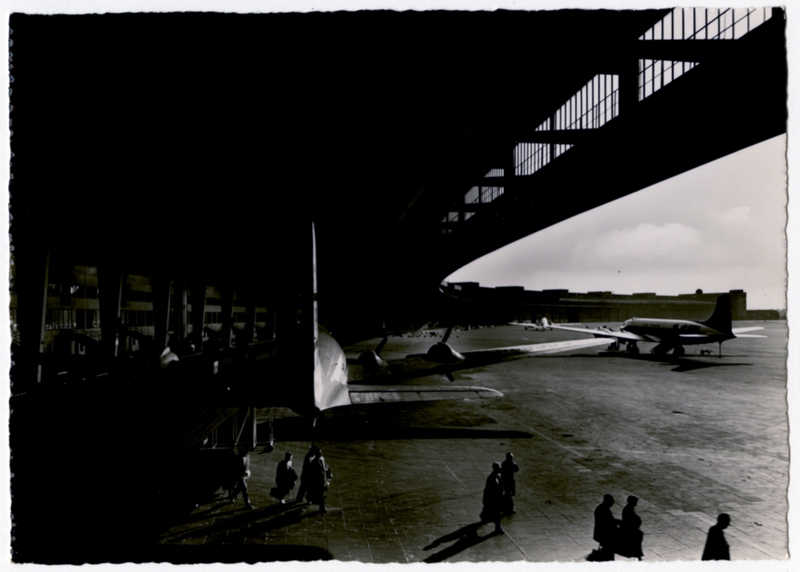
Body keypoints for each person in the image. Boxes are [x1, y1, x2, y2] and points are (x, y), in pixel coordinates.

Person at [591, 494, 619, 561]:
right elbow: (608, 521)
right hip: (605, 535)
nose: (612, 503)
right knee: (608, 552)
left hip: (602, 534)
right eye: (612, 501)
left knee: (606, 550)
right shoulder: (604, 509)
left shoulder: (602, 508)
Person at [480, 462, 506, 534]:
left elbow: (501, 485)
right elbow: (488, 490)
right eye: (499, 468)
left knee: (489, 510)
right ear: (495, 469)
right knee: (497, 514)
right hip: (493, 499)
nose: (500, 469)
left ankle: (483, 516)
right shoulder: (491, 479)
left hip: (497, 498)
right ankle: (498, 528)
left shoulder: (498, 476)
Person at [617, 495, 644, 560]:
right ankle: (637, 554)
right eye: (635, 502)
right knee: (638, 535)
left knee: (639, 535)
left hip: (628, 527)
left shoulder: (629, 508)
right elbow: (629, 521)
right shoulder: (628, 509)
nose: (636, 504)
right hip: (628, 528)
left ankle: (638, 554)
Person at [306, 448, 332, 514]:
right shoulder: (314, 462)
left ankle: (321, 506)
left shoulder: (321, 459)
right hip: (318, 480)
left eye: (320, 453)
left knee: (321, 494)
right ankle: (322, 507)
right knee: (321, 494)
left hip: (323, 479)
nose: (320, 454)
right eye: (319, 453)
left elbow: (323, 468)